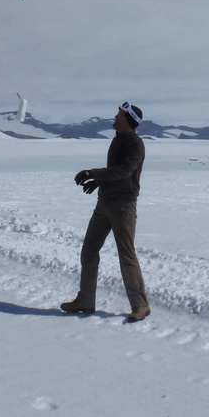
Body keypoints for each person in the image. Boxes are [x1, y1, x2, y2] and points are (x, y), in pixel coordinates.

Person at [61, 102, 150, 322]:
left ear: (128, 120)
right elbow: (116, 173)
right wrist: (99, 182)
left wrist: (94, 173)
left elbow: (125, 171)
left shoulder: (135, 144)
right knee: (89, 251)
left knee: (126, 255)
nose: (115, 116)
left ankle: (140, 305)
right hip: (104, 204)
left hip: (123, 207)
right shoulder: (117, 140)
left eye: (120, 114)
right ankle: (86, 300)